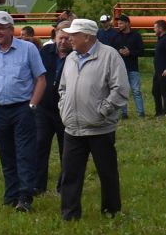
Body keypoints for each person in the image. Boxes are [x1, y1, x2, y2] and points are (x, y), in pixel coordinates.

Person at [55, 18, 129, 219]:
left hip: (100, 128)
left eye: (73, 35)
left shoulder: (109, 56)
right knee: (70, 174)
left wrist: (103, 110)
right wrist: (64, 108)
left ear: (86, 36)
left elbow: (121, 89)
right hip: (72, 128)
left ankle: (111, 211)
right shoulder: (70, 59)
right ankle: (69, 214)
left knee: (107, 173)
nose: (69, 38)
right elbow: (63, 88)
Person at [0, 10, 47, 211]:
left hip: (23, 107)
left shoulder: (28, 49)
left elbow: (40, 79)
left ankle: (25, 196)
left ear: (11, 30)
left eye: (1, 28)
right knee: (6, 154)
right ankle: (11, 194)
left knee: (24, 152)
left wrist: (32, 104)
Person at [32, 23, 70, 196]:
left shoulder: (76, 56)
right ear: (54, 36)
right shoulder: (45, 53)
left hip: (66, 110)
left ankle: (64, 186)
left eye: (67, 38)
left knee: (67, 149)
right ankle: (38, 185)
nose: (63, 41)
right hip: (44, 108)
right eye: (60, 37)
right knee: (40, 145)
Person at [108, 13, 146, 119]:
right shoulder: (115, 36)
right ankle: (124, 113)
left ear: (127, 23)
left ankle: (141, 113)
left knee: (136, 90)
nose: (119, 25)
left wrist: (130, 52)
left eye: (121, 23)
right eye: (118, 23)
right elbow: (110, 50)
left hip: (133, 67)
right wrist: (118, 52)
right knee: (122, 91)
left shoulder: (136, 35)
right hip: (120, 69)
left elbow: (142, 51)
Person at [151, 19, 166, 117]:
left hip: (164, 71)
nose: (154, 30)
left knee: (164, 91)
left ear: (161, 28)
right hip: (157, 71)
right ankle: (158, 111)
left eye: (155, 28)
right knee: (155, 91)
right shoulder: (160, 39)